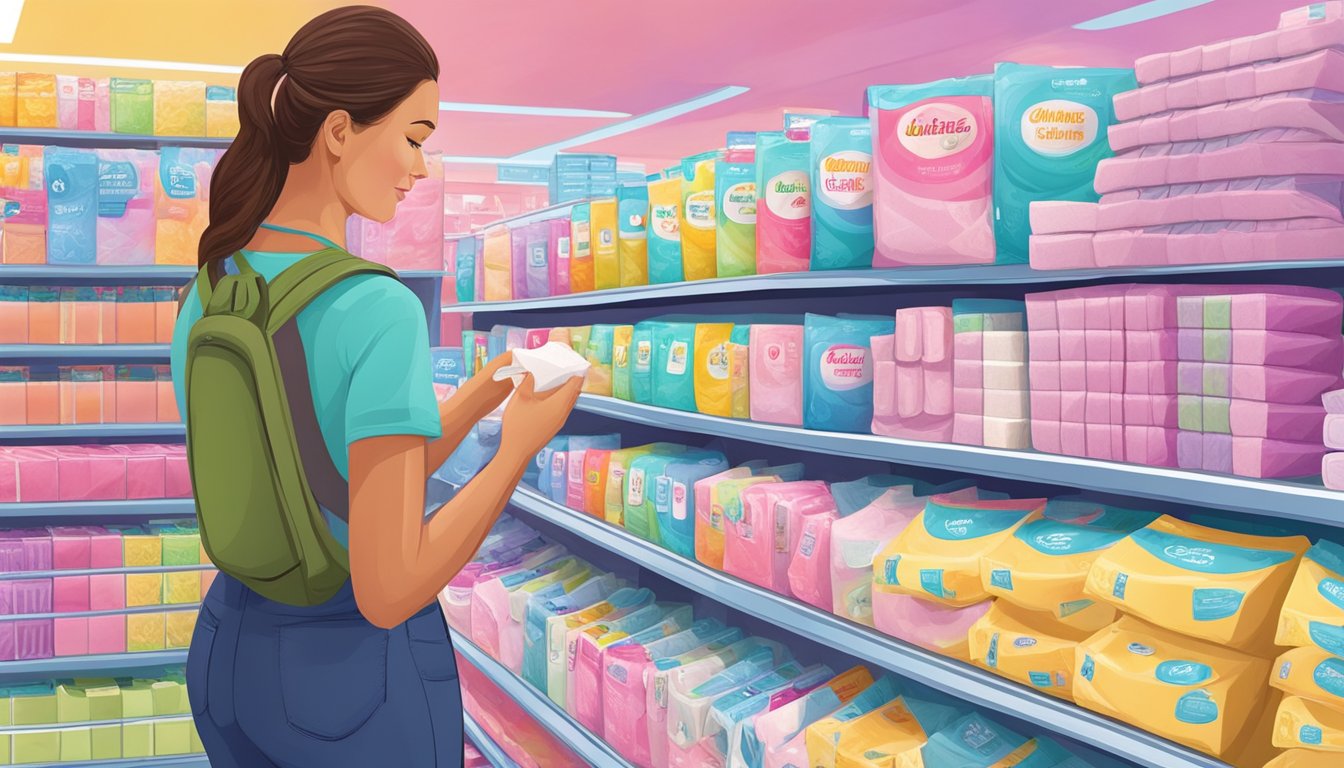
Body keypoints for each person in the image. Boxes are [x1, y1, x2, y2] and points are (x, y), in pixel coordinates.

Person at [169, 7, 582, 766]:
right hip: (346, 685)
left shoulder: (211, 289)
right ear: (337, 132)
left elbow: (329, 475)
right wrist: (514, 451)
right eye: (414, 138)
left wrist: (476, 400)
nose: (420, 168)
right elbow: (387, 588)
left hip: (230, 651)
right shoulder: (376, 305)